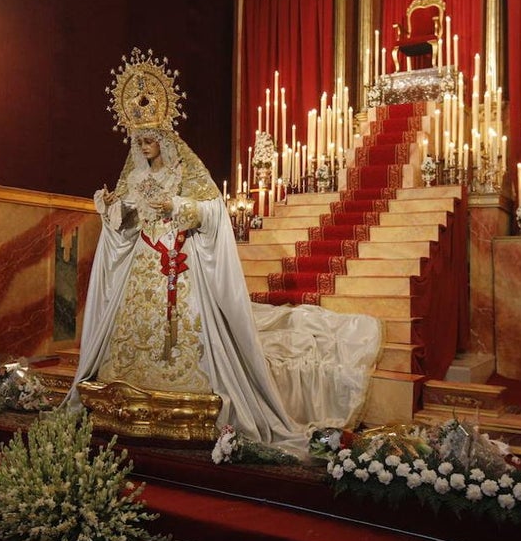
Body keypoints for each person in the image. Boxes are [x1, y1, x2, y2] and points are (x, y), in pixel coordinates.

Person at [65, 49, 381, 454]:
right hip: (144, 266)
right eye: (138, 141)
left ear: (163, 138)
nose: (143, 147)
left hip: (179, 263)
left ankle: (191, 392)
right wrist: (112, 208)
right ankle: (130, 389)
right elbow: (126, 226)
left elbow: (213, 210)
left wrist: (178, 207)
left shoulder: (184, 170)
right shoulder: (135, 174)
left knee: (189, 333)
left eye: (149, 140)